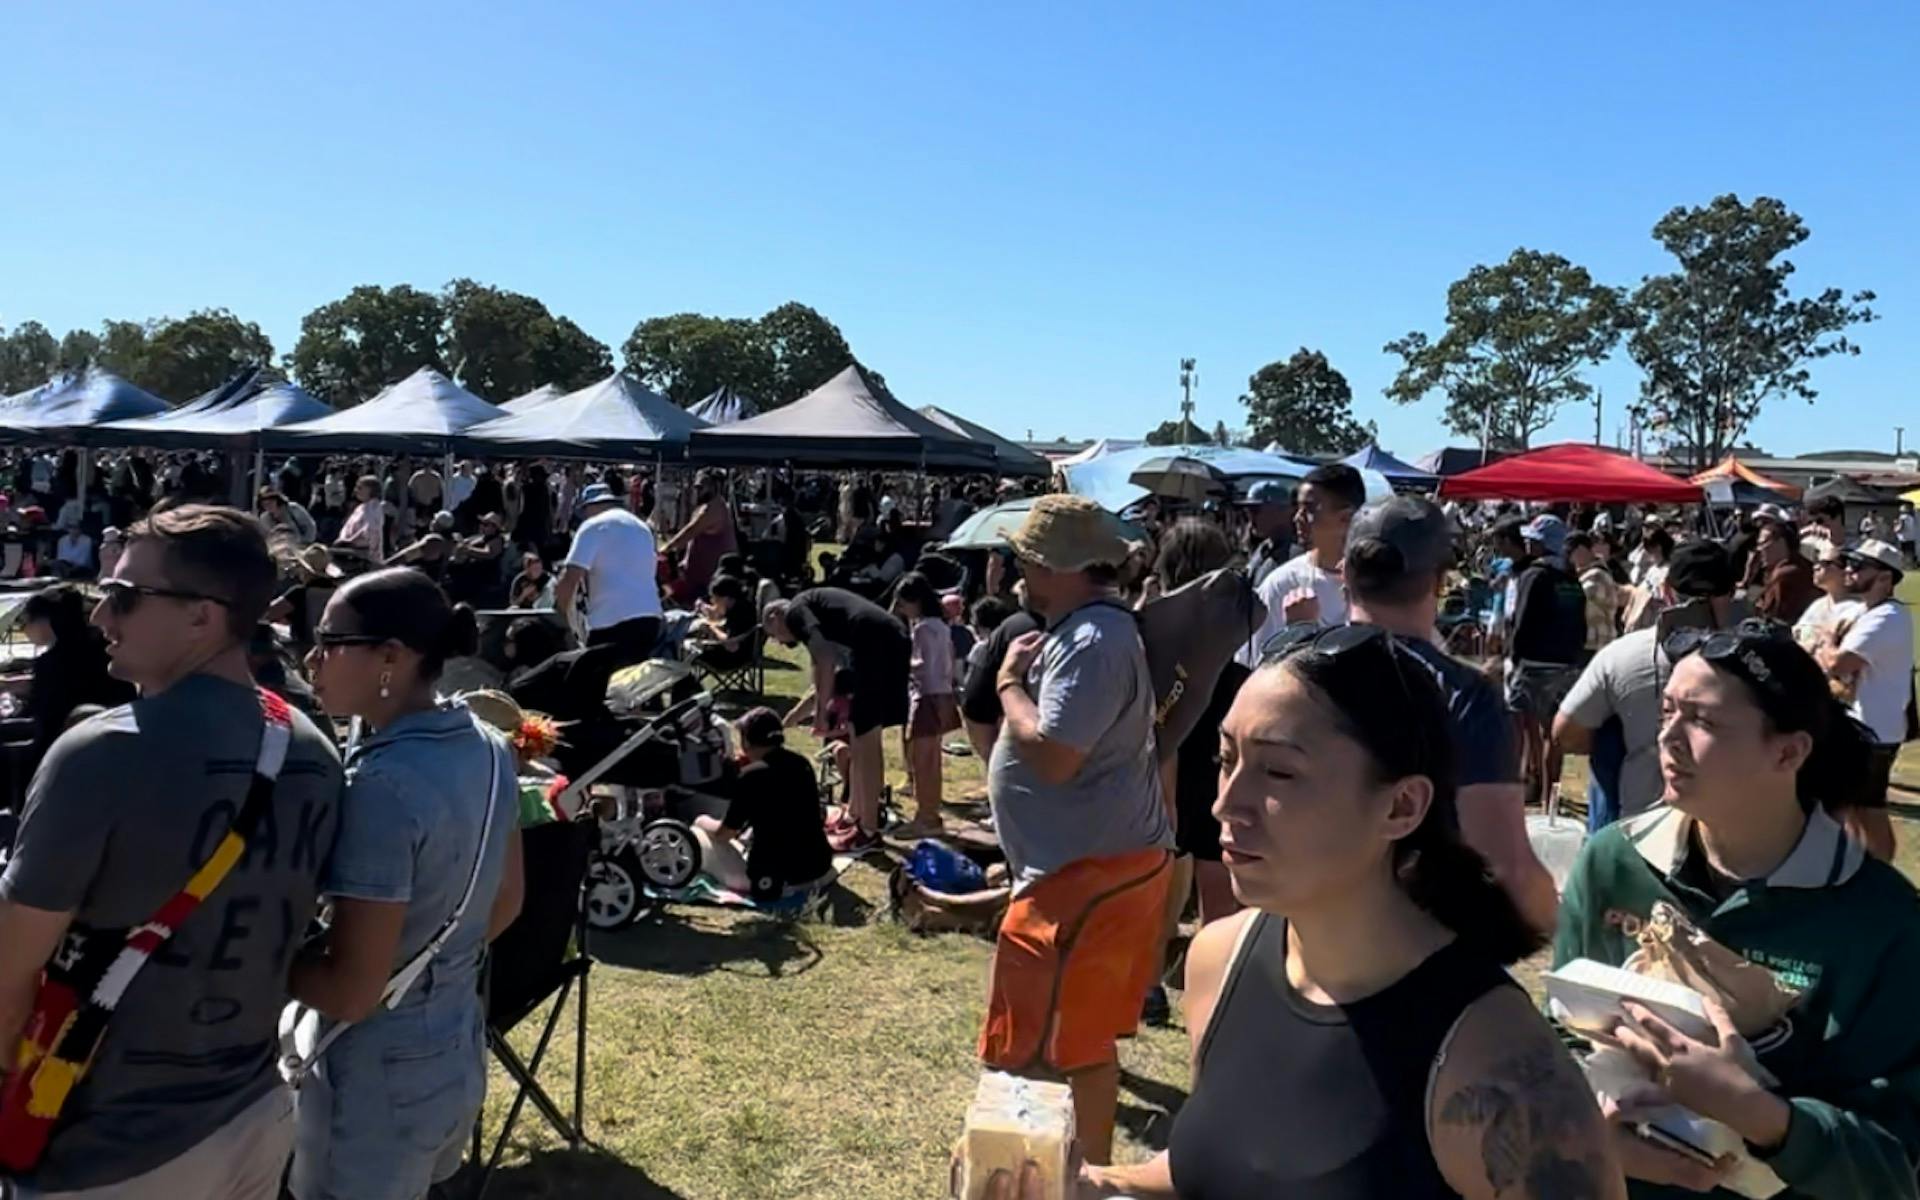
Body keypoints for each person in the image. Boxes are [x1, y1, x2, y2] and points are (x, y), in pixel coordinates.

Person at [1080, 623, 1623, 1199]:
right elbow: (1226, 1169)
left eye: (1278, 772)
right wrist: (1092, 1183)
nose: (1225, 803)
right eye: (1226, 758)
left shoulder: (1499, 1072)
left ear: (1401, 806)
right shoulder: (1219, 959)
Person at [0, 506, 342, 1198]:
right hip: (255, 1114)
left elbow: (9, 967)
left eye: (123, 596)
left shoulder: (104, 750)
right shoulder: (312, 749)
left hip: (109, 1145)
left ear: (202, 616)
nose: (102, 616)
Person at [1553, 622, 1920, 1199]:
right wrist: (1601, 1134)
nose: (1668, 737)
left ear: (1789, 751)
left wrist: (1757, 1114)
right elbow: (1561, 1038)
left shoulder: (1884, 921)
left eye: (1702, 720)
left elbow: (1892, 1167)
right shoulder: (1612, 862)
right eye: (1667, 711)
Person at [288, 568, 523, 1200]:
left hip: (376, 1078)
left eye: (330, 642)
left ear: (391, 656)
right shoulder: (490, 746)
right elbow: (507, 900)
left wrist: (257, 964)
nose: (311, 659)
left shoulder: (380, 788)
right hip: (453, 1045)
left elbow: (351, 992)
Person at [979, 494, 1174, 1168]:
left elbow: (1056, 754)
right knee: (1066, 1043)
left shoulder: (1093, 640)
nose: (1019, 573)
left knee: (1060, 1050)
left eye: (1028, 561)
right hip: (1083, 870)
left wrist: (1009, 684)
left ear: (1059, 567)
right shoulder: (1090, 631)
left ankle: (1073, 1179)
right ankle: (1066, 1173)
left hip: (1086, 878)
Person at [1346, 497, 1559, 933]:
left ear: (1345, 574)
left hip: (1295, 937)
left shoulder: (1284, 672)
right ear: (1440, 581)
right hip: (1414, 941)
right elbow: (1505, 866)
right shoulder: (1466, 697)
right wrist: (1569, 922)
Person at [1555, 541, 1738, 830]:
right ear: (1731, 594)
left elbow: (1567, 733)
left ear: (1666, 591)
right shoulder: (1756, 662)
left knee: (1608, 734)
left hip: (1641, 827)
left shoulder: (1622, 655)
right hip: (1728, 829)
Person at [1150, 519, 1248, 926]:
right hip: (1216, 724)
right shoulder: (1232, 607)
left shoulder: (1155, 620)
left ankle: (1156, 956)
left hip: (1166, 729)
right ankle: (1215, 951)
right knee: (1214, 865)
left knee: (1160, 869)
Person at [764, 587, 911, 848]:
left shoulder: (797, 610)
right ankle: (855, 814)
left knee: (865, 740)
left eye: (772, 633)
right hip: (891, 639)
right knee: (861, 737)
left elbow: (825, 659)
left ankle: (868, 829)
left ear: (775, 616)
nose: (778, 641)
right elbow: (819, 666)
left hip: (875, 642)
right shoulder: (817, 614)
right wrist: (806, 712)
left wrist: (821, 714)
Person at [1810, 539, 1911, 861]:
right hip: (1862, 726)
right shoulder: (1865, 612)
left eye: (1859, 566)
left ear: (1885, 577)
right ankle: (1862, 867)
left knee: (1868, 809)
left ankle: (1882, 876)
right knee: (1850, 807)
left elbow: (1837, 663)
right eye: (1849, 563)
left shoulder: (1887, 617)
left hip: (1874, 731)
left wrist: (1827, 641)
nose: (1849, 570)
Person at [691, 707, 833, 901]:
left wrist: (702, 821)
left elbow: (724, 834)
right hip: (818, 866)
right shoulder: (801, 763)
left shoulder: (752, 776)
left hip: (773, 880)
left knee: (698, 834)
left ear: (747, 742)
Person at [1235, 463, 1364, 668]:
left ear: (1346, 517)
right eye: (1298, 508)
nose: (1297, 518)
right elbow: (1253, 667)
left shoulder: (1380, 586)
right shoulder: (1282, 584)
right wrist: (1296, 633)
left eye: (1310, 509)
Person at [1506, 514, 1588, 812]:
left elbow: (1522, 620)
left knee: (1516, 728)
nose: (1528, 544)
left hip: (1533, 665)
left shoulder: (1533, 575)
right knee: (1552, 734)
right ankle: (1548, 798)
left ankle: (1514, 792)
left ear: (1543, 544)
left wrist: (1514, 659)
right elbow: (1581, 625)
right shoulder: (1572, 579)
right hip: (1566, 666)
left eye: (1533, 540)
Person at [10, 585, 134, 769]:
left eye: (26, 622)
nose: (24, 629)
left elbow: (40, 712)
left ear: (46, 620)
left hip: (57, 750)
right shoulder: (103, 649)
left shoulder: (52, 662)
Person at [555, 482, 662, 669]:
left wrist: (559, 617)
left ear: (590, 506)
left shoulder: (592, 526)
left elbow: (571, 577)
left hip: (611, 622)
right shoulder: (642, 527)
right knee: (634, 680)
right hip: (649, 618)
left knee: (596, 680)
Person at [894, 572, 959, 837]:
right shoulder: (942, 625)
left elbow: (922, 665)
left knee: (921, 762)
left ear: (916, 601)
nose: (902, 610)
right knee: (933, 760)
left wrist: (902, 662)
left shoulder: (922, 628)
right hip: (943, 694)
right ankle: (931, 814)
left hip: (925, 696)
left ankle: (925, 817)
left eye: (904, 604)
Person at [664, 468, 738, 604]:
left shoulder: (715, 507)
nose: (698, 491)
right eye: (697, 487)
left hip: (708, 581)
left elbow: (689, 532)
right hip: (694, 577)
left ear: (715, 486)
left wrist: (666, 549)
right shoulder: (703, 507)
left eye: (702, 486)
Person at [1750, 508, 1819, 625]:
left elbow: (1770, 617)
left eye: (1763, 543)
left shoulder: (1785, 574)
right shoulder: (1801, 564)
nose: (1759, 550)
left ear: (1781, 542)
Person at [1790, 542, 1854, 654]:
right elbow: (1798, 633)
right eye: (1816, 562)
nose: (1816, 567)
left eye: (1825, 563)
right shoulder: (1818, 604)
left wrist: (1815, 635)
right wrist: (1817, 636)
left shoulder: (1857, 608)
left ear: (1845, 571)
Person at [1569, 530, 1620, 653]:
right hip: (1593, 643)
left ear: (1581, 549)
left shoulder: (1596, 576)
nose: (1568, 558)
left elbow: (1580, 601)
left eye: (1569, 552)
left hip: (1598, 642)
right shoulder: (1585, 573)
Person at [1238, 479, 1294, 589]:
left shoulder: (1295, 554)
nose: (1250, 517)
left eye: (1255, 510)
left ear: (1280, 511)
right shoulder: (1263, 548)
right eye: (1247, 511)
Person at [333, 475, 389, 566]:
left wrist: (350, 541)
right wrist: (342, 540)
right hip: (350, 551)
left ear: (371, 489)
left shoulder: (374, 507)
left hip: (365, 557)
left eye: (360, 488)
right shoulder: (360, 507)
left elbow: (370, 531)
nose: (356, 490)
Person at [1899, 502, 1918, 566]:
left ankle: (1904, 564)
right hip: (1911, 537)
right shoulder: (1911, 517)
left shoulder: (1902, 517)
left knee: (1904, 552)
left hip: (1904, 538)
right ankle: (1913, 564)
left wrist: (1896, 530)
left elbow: (1901, 526)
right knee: (1911, 552)